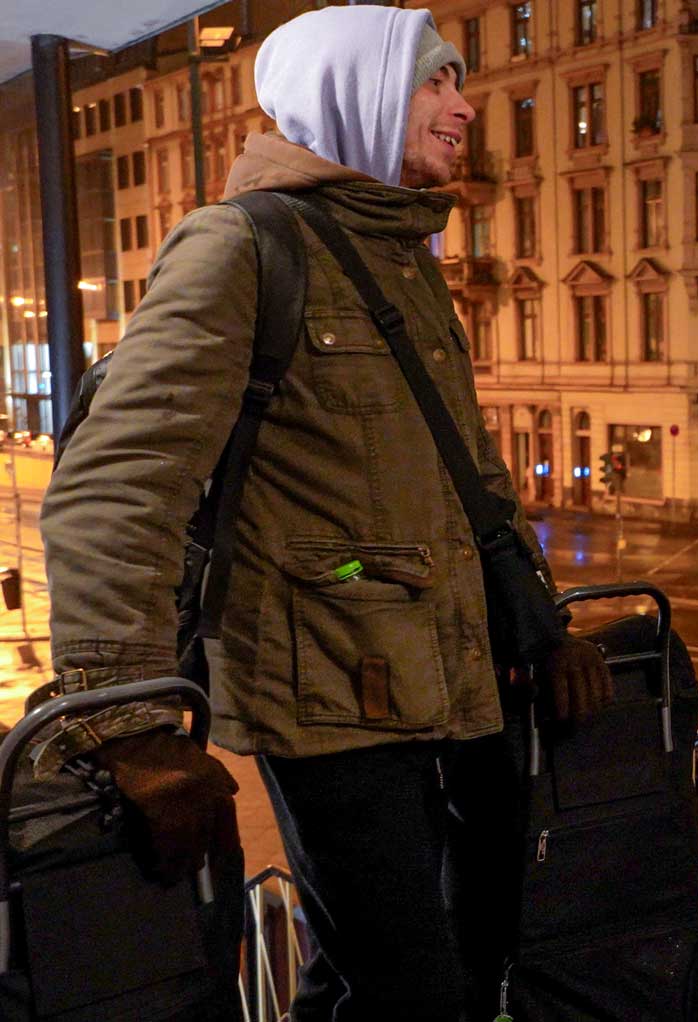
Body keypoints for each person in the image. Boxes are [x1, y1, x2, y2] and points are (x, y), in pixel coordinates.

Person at [38, 7, 610, 1020]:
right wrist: (127, 727)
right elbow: (116, 487)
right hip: (333, 697)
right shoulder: (239, 247)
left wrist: (542, 618)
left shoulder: (398, 257)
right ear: (359, 95)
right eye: (435, 82)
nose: (463, 106)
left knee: (436, 969)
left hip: (453, 680)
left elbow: (470, 477)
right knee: (412, 989)